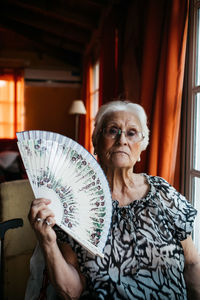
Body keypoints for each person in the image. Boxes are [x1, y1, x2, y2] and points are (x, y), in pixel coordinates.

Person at [26, 100, 200, 300]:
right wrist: (47, 242)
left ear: (141, 146)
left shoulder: (163, 192)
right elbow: (71, 293)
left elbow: (193, 263)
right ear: (96, 142)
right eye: (112, 130)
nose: (122, 140)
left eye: (131, 133)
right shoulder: (75, 202)